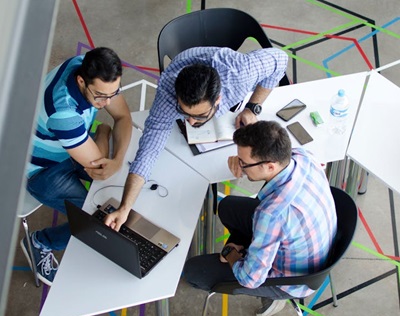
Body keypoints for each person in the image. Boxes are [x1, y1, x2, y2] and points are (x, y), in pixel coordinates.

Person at [102, 46, 288, 231]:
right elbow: (148, 151)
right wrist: (125, 207)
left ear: (218, 100)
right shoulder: (168, 94)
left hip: (227, 67)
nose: (190, 122)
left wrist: (253, 106)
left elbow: (280, 59)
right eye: (184, 113)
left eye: (199, 116)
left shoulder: (240, 74)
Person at [183, 121, 337, 316]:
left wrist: (231, 253)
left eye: (244, 163)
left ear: (270, 166)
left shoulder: (271, 214)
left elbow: (250, 279)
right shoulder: (302, 157)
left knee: (194, 271)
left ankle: (273, 298)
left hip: (292, 280)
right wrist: (241, 160)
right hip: (312, 244)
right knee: (228, 207)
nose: (240, 166)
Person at [21, 47, 132, 285]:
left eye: (114, 93)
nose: (108, 102)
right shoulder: (63, 113)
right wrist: (103, 132)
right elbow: (100, 169)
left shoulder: (88, 66)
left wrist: (118, 158)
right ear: (81, 81)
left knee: (119, 184)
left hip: (71, 146)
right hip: (43, 170)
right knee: (94, 219)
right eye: (101, 96)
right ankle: (41, 242)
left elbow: (123, 117)